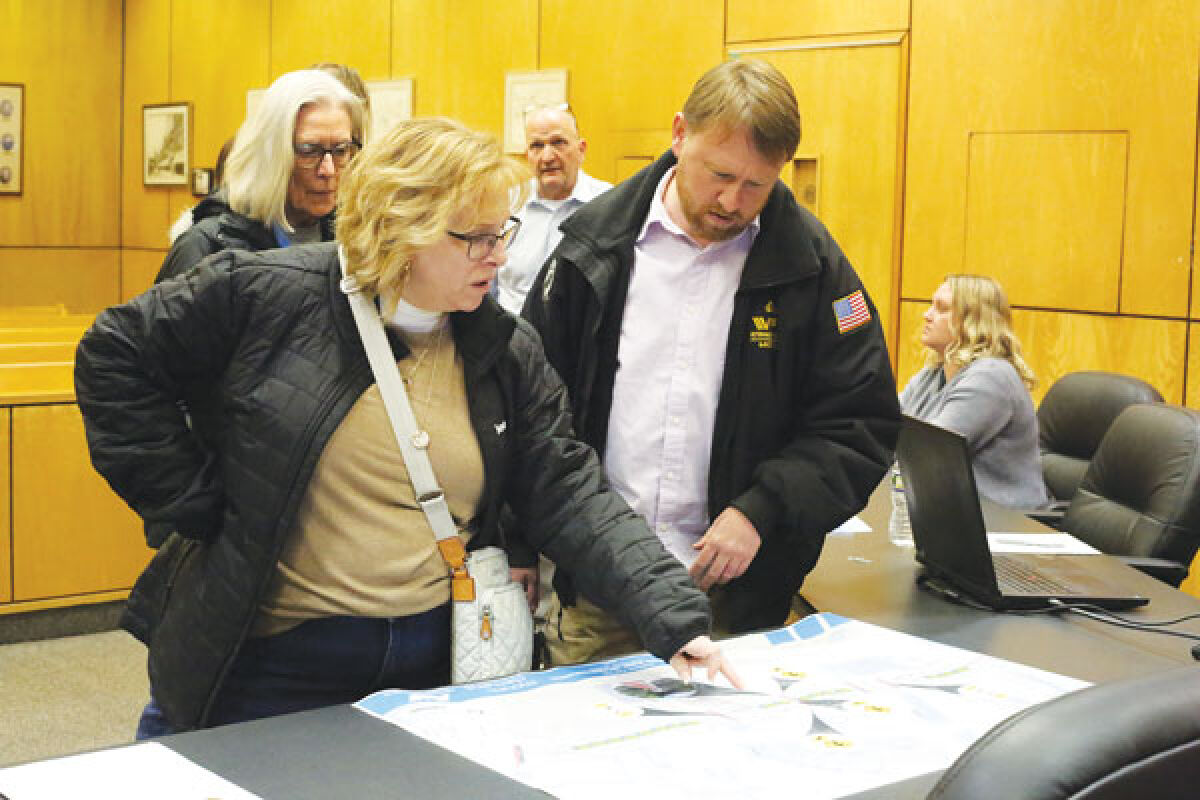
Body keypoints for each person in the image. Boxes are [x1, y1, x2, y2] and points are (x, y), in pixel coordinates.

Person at [75, 117, 737, 736]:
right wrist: (186, 499)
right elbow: (114, 353)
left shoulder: (505, 349)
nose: (497, 256)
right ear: (400, 228)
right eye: (474, 238)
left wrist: (673, 617)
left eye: (500, 231)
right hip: (271, 663)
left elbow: (568, 489)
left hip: (433, 664)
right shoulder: (265, 294)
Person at [522, 59, 901, 666]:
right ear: (679, 134)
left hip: (742, 599)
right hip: (602, 591)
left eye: (756, 186)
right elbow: (532, 417)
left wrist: (762, 510)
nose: (731, 201)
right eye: (718, 174)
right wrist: (519, 545)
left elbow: (860, 425)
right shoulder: (593, 248)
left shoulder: (812, 267)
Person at [154, 68, 365, 283]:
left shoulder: (356, 242)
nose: (328, 170)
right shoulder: (205, 248)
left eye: (340, 150)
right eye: (308, 150)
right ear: (270, 154)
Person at [899, 274, 1049, 509]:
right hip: (954, 514)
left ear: (974, 321)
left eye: (942, 309)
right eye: (931, 306)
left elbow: (928, 456)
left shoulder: (992, 377)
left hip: (1006, 522)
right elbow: (883, 430)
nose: (926, 315)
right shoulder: (931, 375)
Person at [495, 104, 610, 314]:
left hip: (576, 338)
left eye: (558, 143)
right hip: (510, 335)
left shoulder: (607, 204)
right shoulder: (506, 203)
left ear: (581, 150)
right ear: (527, 154)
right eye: (537, 146)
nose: (547, 157)